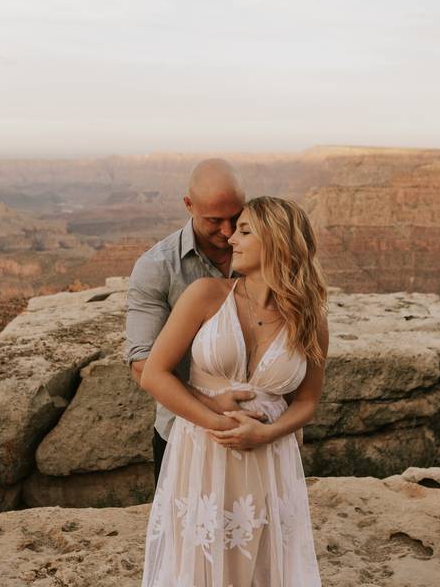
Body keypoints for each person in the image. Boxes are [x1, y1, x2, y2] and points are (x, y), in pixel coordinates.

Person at [140, 196, 327, 586]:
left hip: (269, 457)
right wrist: (216, 421)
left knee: (261, 566)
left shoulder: (310, 319)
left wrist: (266, 433)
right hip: (203, 451)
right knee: (200, 565)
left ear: (276, 241)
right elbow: (155, 374)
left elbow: (308, 401)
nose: (231, 241)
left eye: (244, 231)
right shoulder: (206, 295)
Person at [126, 158, 264, 486]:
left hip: (259, 432)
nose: (228, 232)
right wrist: (214, 408)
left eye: (235, 217)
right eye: (215, 220)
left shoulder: (263, 253)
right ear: (189, 205)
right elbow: (142, 365)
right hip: (182, 432)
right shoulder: (158, 268)